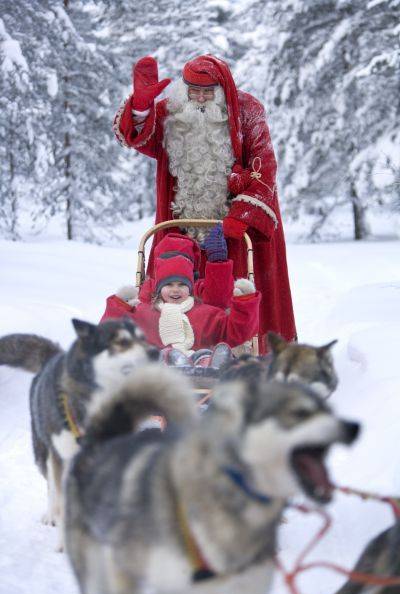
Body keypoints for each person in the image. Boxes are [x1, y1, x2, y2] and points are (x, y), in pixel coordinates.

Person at [113, 54, 296, 353]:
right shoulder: (170, 111)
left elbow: (265, 168)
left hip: (233, 231)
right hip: (179, 230)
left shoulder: (248, 111)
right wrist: (142, 108)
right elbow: (140, 139)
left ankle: (241, 354)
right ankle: (177, 352)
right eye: (194, 91)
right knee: (174, 291)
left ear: (222, 90)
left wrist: (240, 217)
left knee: (234, 291)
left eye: (208, 92)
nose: (199, 98)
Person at [101, 250, 260, 363]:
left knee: (205, 355)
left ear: (190, 289)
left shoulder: (206, 313)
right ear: (159, 289)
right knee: (152, 356)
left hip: (199, 368)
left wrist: (244, 304)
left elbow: (236, 331)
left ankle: (213, 365)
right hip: (157, 371)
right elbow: (111, 331)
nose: (175, 290)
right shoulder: (146, 312)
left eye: (181, 285)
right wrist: (121, 306)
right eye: (169, 285)